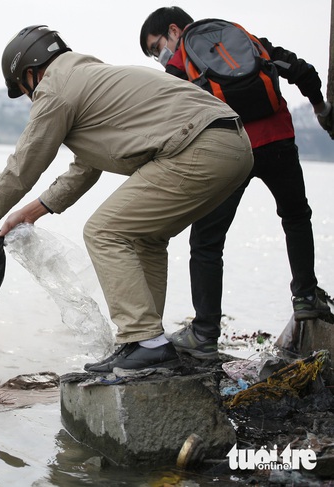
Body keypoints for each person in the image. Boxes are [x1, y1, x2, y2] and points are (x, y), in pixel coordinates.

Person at [0, 25, 254, 372]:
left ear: (30, 73)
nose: (30, 98)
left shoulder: (55, 89)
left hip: (200, 147)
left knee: (104, 231)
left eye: (24, 90)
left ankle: (145, 341)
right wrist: (30, 213)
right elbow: (85, 168)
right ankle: (143, 341)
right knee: (144, 237)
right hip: (232, 145)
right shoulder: (88, 78)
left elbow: (22, 168)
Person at [139, 7, 332, 360]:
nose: (159, 57)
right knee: (295, 216)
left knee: (207, 242)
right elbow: (301, 70)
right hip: (279, 141)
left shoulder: (179, 64)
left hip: (229, 154)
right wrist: (321, 110)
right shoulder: (245, 41)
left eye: (156, 47)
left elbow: (162, 120)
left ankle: (205, 333)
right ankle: (306, 297)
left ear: (173, 29)